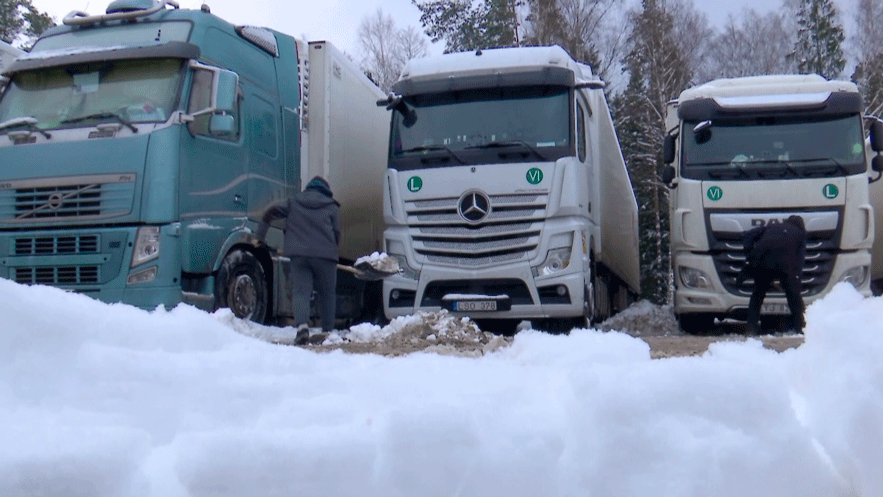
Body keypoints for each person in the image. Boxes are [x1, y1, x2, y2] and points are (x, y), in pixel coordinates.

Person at [256, 176, 341, 345]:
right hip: (325, 255)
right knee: (327, 293)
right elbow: (337, 233)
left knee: (301, 291)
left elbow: (269, 211)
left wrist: (260, 237)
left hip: (299, 254)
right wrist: (333, 249)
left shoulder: (293, 202)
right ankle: (328, 332)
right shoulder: (331, 206)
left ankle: (302, 327)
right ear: (326, 191)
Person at [736, 215, 807, 335]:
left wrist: (749, 254)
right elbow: (799, 260)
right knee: (793, 296)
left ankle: (751, 328)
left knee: (758, 293)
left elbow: (747, 235)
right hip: (786, 266)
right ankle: (800, 327)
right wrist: (796, 282)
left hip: (762, 261)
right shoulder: (800, 234)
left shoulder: (771, 226)